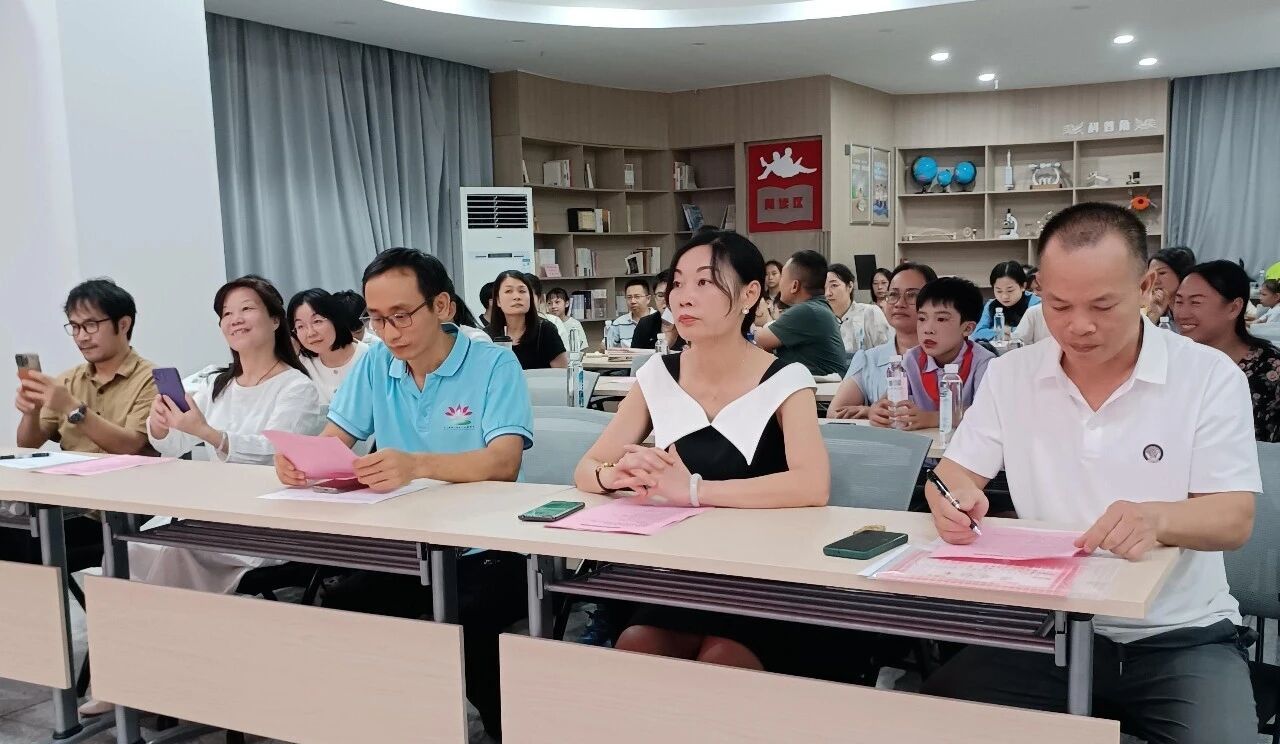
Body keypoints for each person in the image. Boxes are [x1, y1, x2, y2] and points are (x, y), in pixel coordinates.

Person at [921, 203, 1258, 743]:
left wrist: (1157, 520)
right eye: (1059, 305)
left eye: (1103, 305)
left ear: (1146, 287)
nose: (1079, 326)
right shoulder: (1012, 376)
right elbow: (953, 475)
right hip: (1048, 630)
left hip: (1178, 635)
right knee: (927, 721)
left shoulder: (1207, 376)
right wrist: (954, 500)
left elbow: (1234, 518)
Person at [273, 248, 533, 740]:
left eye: (401, 315)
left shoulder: (494, 364)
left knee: (473, 628)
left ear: (442, 306)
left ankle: (507, 730)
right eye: (376, 319)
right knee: (344, 607)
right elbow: (335, 439)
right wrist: (300, 461)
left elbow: (504, 462)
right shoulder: (376, 363)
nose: (389, 332)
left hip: (487, 546)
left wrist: (417, 466)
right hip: (406, 545)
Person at [574, 229, 833, 677]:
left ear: (750, 294)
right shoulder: (658, 374)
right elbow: (587, 467)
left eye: (704, 282)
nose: (683, 297)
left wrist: (693, 491)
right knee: (638, 645)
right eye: (677, 283)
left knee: (723, 659)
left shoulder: (786, 379)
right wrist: (613, 476)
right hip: (681, 566)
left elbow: (812, 485)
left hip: (765, 568)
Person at [6, 279, 158, 564]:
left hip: (120, 513)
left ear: (123, 324)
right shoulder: (68, 380)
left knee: (23, 547)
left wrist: (73, 408)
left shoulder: (151, 379)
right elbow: (28, 444)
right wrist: (30, 412)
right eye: (75, 327)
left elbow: (131, 446)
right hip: (67, 505)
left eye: (90, 325)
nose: (82, 337)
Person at [1175, 260, 1280, 442]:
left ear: (1234, 308)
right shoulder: (1173, 359)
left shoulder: (1270, 369)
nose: (1182, 313)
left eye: (1196, 302)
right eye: (1178, 301)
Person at [870, 276, 995, 430]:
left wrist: (933, 418)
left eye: (941, 319)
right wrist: (878, 411)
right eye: (922, 318)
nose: (928, 329)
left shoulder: (985, 363)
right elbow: (887, 402)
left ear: (968, 328)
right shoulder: (912, 359)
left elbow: (987, 413)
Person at [828, 262, 936, 419]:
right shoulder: (868, 359)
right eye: (893, 294)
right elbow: (835, 413)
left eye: (912, 295)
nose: (899, 303)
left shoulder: (946, 357)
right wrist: (871, 412)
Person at [754, 250, 849, 376]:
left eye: (782, 277)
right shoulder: (817, 307)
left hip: (822, 387)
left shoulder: (807, 311)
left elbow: (760, 340)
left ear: (794, 286)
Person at [288, 289, 368, 404]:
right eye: (300, 326)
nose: (311, 333)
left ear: (335, 319)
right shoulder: (301, 367)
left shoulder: (369, 358)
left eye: (317, 321)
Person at [487, 270, 567, 369]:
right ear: (498, 300)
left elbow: (563, 374)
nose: (516, 297)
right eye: (508, 291)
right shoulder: (487, 336)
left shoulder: (545, 330)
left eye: (522, 291)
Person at [825, 263, 891, 354]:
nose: (828, 293)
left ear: (850, 286)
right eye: (823, 287)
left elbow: (887, 352)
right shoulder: (823, 321)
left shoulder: (869, 312)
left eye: (834, 285)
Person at [972, 261, 1041, 342]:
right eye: (999, 291)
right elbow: (977, 332)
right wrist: (1004, 333)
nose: (1004, 296)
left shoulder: (1035, 303)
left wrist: (1007, 330)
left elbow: (1033, 332)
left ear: (1023, 286)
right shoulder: (991, 305)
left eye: (1010, 290)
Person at [1143, 247, 1196, 325]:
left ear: (1181, 274)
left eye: (1162, 273)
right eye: (1151, 275)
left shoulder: (1199, 310)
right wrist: (1153, 316)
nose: (1155, 280)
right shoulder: (1152, 307)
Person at [605, 278, 656, 348]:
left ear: (648, 299)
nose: (632, 301)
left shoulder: (660, 319)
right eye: (629, 297)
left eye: (637, 297)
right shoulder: (618, 323)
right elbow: (605, 346)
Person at [523, 272, 568, 346]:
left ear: (539, 299)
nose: (524, 300)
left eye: (530, 296)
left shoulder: (554, 322)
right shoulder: (507, 324)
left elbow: (564, 351)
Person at [630, 271, 670, 350]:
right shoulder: (645, 324)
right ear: (654, 298)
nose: (666, 300)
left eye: (669, 294)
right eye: (660, 295)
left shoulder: (691, 322)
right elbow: (635, 356)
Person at [546, 287, 588, 352]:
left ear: (567, 304)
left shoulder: (575, 324)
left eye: (557, 302)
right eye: (549, 303)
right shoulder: (545, 324)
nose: (553, 306)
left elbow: (583, 348)